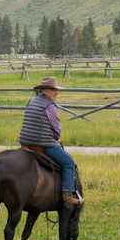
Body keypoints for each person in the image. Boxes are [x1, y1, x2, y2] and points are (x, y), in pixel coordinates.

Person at [18, 77, 82, 206]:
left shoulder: (32, 101)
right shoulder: (50, 105)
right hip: (42, 142)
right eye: (53, 90)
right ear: (45, 91)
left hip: (25, 141)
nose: (56, 93)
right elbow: (56, 126)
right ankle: (68, 195)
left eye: (56, 90)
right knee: (69, 163)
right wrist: (57, 137)